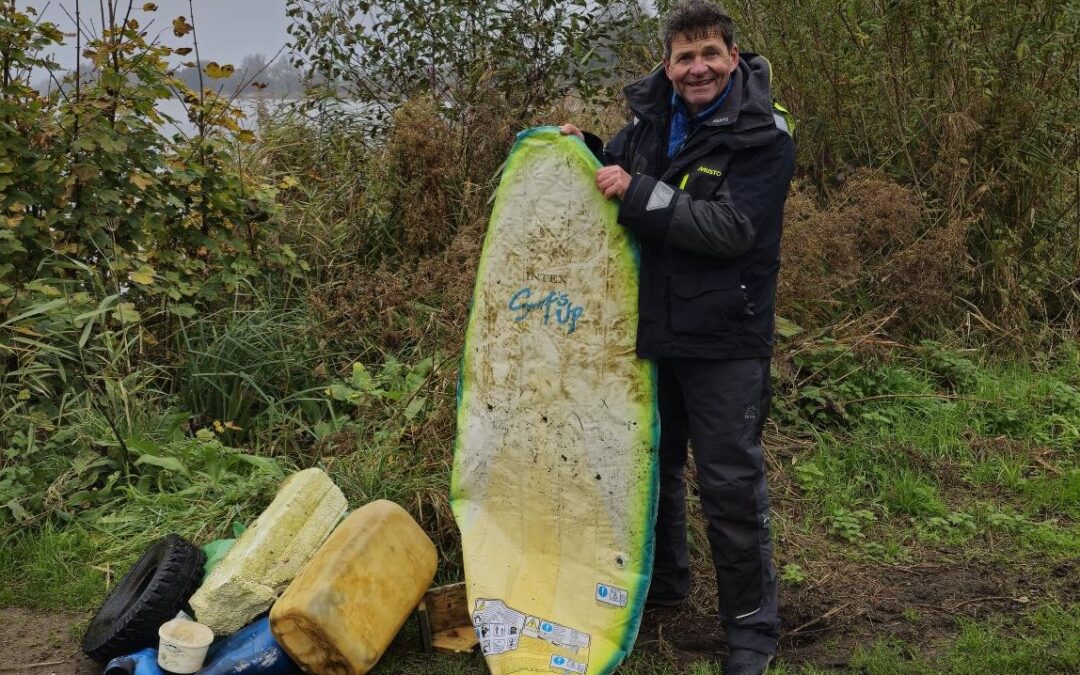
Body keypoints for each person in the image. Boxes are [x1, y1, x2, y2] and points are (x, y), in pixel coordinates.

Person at [561, 1, 795, 673]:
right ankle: (665, 587)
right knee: (651, 465)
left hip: (726, 337)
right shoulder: (648, 122)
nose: (697, 68)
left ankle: (752, 628)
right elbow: (618, 175)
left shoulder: (764, 134)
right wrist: (582, 153)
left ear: (732, 57)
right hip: (655, 330)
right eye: (684, 57)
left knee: (728, 481)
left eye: (709, 55)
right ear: (668, 64)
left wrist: (635, 193)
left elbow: (731, 230)